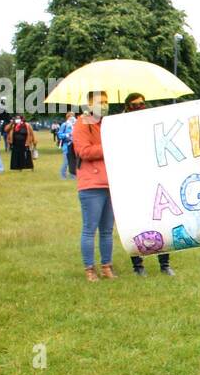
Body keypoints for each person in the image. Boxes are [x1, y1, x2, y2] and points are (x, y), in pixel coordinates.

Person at [119, 95, 176, 277]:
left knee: (162, 222)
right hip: (132, 181)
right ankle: (138, 265)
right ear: (127, 107)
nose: (140, 107)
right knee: (135, 224)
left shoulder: (152, 122)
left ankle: (164, 263)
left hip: (155, 179)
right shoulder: (119, 126)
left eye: (142, 103)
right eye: (135, 105)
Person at [72, 91, 117, 281]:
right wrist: (109, 146)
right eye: (100, 102)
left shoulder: (107, 124)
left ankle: (106, 266)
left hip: (111, 183)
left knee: (107, 230)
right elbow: (83, 151)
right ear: (89, 105)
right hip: (91, 185)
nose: (104, 105)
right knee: (90, 229)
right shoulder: (82, 124)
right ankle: (89, 269)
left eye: (106, 102)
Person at [57, 111, 77, 180]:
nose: (72, 117)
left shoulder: (75, 125)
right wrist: (67, 135)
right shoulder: (64, 125)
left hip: (75, 145)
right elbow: (59, 135)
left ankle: (73, 176)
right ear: (68, 117)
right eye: (71, 116)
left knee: (74, 161)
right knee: (66, 161)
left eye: (73, 116)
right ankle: (63, 175)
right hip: (66, 145)